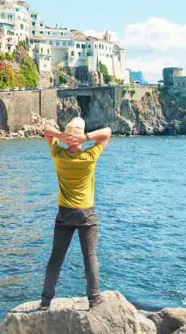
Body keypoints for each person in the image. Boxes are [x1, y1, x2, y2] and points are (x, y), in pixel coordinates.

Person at [40, 117, 112, 310]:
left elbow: (46, 130)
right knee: (89, 257)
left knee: (56, 258)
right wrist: (84, 138)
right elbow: (107, 132)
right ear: (80, 136)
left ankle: (45, 302)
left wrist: (60, 136)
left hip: (64, 214)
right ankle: (94, 299)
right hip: (86, 214)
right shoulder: (90, 156)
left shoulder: (58, 155)